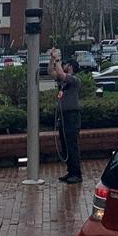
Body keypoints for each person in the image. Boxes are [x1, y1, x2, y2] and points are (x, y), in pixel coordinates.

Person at [49, 48, 82, 184]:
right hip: (63, 116)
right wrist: (52, 58)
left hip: (72, 116)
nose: (63, 65)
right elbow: (51, 71)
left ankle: (76, 173)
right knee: (65, 144)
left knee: (71, 144)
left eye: (65, 64)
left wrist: (57, 59)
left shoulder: (74, 80)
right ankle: (70, 171)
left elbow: (62, 74)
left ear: (70, 67)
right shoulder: (63, 82)